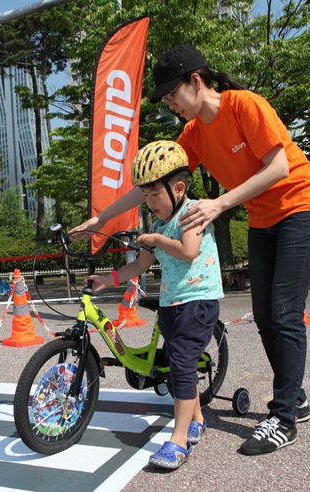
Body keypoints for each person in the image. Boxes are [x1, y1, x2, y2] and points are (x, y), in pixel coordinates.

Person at [71, 44, 310, 456]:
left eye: (173, 93)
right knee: (264, 314)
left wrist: (221, 203)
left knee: (283, 310)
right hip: (263, 218)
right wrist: (101, 219)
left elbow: (279, 167)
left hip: (303, 206)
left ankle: (283, 416)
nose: (171, 103)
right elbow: (151, 185)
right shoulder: (192, 134)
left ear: (196, 80)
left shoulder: (245, 105)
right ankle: (293, 394)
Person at [87, 140, 224, 470]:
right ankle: (197, 418)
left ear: (178, 188)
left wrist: (157, 240)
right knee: (177, 362)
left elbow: (188, 251)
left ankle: (178, 441)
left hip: (198, 301)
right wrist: (110, 279)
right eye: (145, 196)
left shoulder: (193, 213)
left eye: (154, 195)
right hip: (172, 303)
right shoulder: (160, 224)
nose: (149, 203)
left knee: (180, 366)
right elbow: (141, 265)